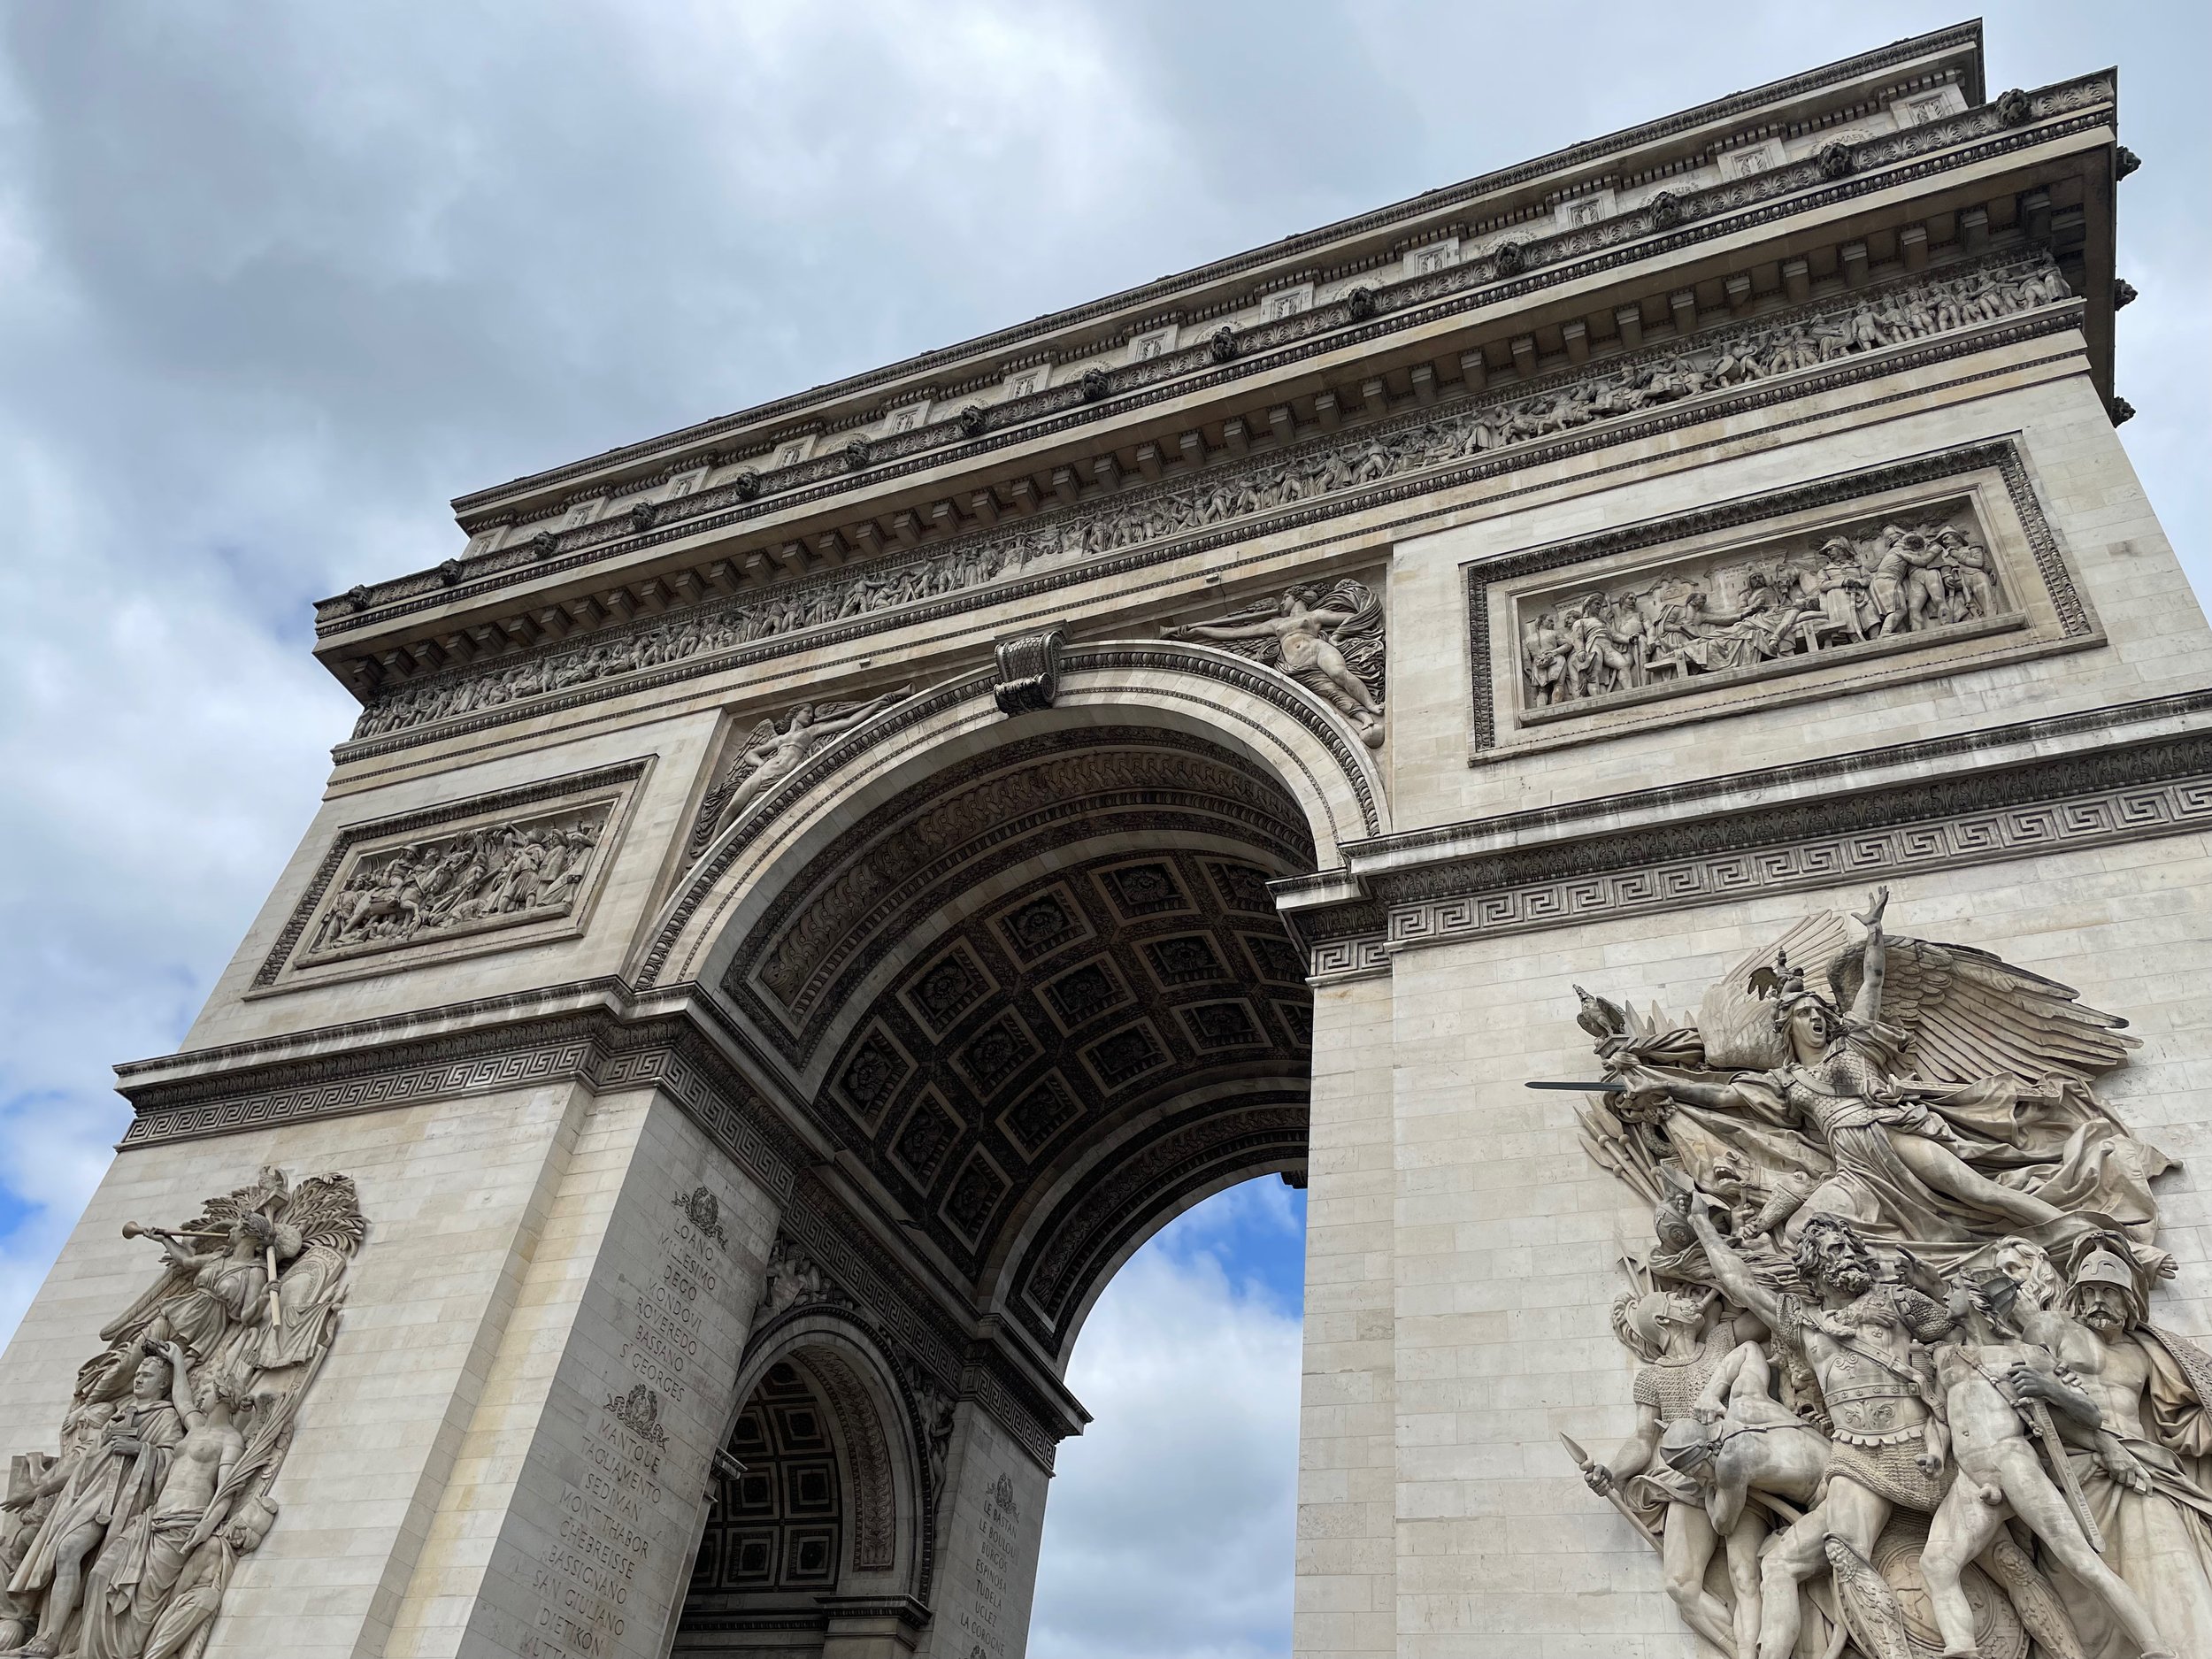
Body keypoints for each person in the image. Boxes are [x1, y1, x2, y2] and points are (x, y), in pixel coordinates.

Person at [1920, 1274, 2173, 1659]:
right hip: (1972, 1476)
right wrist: (1936, 1453)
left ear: (1977, 1300)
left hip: (2012, 1461)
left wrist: (2048, 1388)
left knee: (2081, 1562)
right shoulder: (1944, 1358)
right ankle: (1961, 1649)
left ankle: (2157, 1648)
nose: (1946, 1296)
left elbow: (2089, 1414)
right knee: (1937, 1563)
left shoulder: (2029, 1354)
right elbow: (1940, 1418)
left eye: (1954, 1289)